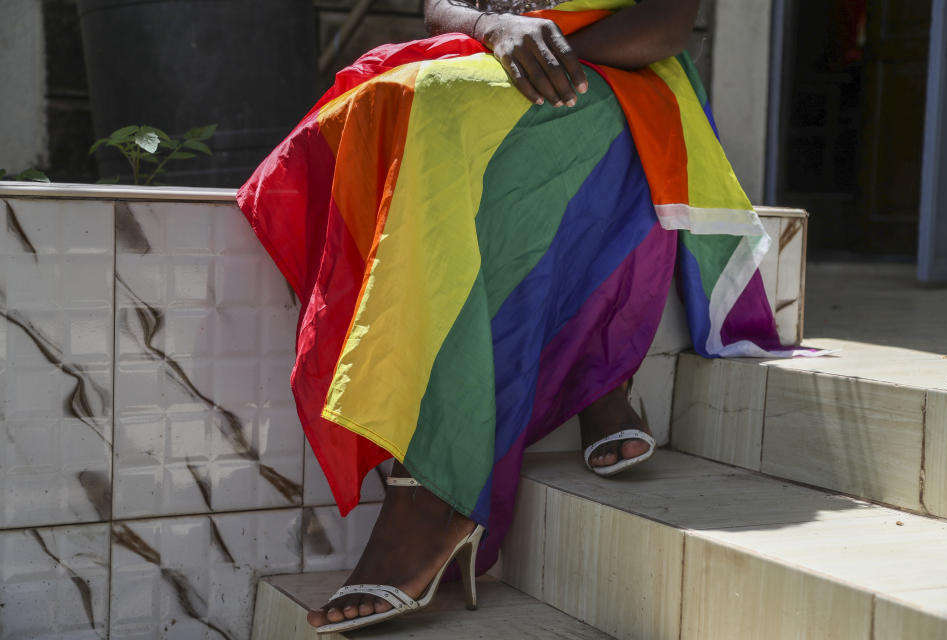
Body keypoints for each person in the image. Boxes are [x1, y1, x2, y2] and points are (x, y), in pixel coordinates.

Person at [237, 0, 794, 633]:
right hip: (500, 54)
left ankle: (435, 492)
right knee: (365, 111)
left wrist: (538, 56)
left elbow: (666, 24)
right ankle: (591, 373)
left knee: (446, 110)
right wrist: (494, 29)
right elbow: (439, 7)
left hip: (613, 70)